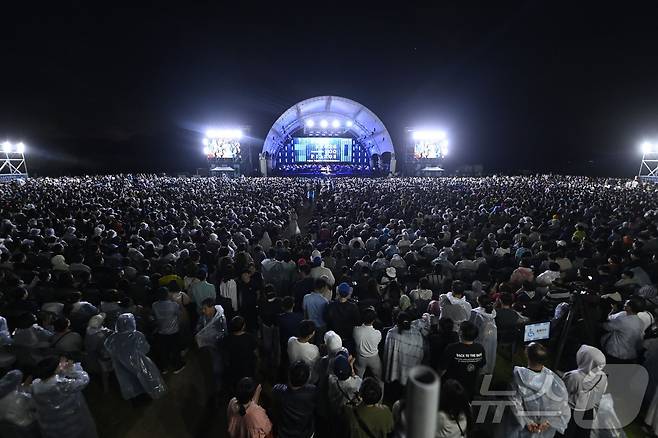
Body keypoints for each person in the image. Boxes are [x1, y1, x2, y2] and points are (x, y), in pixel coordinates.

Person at [506, 343, 570, 438]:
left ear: (527, 355)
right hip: (545, 431)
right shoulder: (555, 381)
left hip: (523, 429)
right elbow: (563, 406)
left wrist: (527, 422)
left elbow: (514, 403)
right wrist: (548, 422)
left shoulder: (518, 377)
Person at [30, 357, 98, 438]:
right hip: (71, 422)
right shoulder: (61, 384)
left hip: (52, 424)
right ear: (55, 370)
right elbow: (84, 380)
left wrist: (63, 371)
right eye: (59, 365)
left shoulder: (35, 385)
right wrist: (72, 370)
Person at [104, 313, 167, 400]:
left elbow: (108, 352)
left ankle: (136, 400)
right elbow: (146, 349)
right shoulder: (137, 335)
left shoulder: (111, 339)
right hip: (140, 364)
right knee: (143, 380)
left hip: (121, 366)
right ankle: (146, 397)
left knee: (129, 383)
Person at [562, 345, 608, 438]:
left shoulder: (574, 376)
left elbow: (563, 393)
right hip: (588, 412)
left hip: (570, 412)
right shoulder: (603, 377)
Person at [438, 321, 486, 400]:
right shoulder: (480, 348)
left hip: (451, 388)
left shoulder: (452, 348)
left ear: (460, 333)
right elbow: (481, 368)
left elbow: (442, 370)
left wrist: (437, 379)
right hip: (470, 387)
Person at [272, 360, 318, 438]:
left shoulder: (279, 391)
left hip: (284, 434)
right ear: (307, 378)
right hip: (305, 433)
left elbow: (275, 388)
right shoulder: (313, 391)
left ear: (289, 376)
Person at [196, 298, 228, 394]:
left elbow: (224, 333)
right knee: (214, 367)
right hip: (209, 348)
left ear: (212, 307)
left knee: (218, 367)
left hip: (218, 346)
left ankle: (220, 387)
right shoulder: (203, 317)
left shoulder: (220, 317)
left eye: (205, 308)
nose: (203, 311)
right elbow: (199, 328)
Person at [383, 312, 425, 385]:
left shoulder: (392, 333)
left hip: (395, 371)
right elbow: (420, 354)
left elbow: (387, 353)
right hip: (410, 371)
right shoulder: (417, 334)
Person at [151, 286, 185, 374]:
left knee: (163, 351)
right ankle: (177, 366)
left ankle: (164, 368)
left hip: (161, 331)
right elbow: (180, 314)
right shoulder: (173, 305)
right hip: (173, 331)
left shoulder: (154, 305)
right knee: (175, 349)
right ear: (167, 295)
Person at [601, 297, 645, 363]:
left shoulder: (623, 321)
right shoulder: (641, 322)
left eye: (626, 303)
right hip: (630, 355)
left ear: (630, 307)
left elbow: (606, 326)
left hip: (616, 353)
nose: (624, 304)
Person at [0, 369, 40, 438]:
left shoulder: (3, 393)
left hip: (5, 429)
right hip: (23, 427)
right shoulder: (22, 397)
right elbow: (36, 404)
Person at [223, 316, 258, 391]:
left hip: (234, 369)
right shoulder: (250, 337)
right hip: (248, 368)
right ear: (243, 326)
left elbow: (226, 357)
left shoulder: (227, 339)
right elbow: (256, 352)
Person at [325, 282, 360, 352]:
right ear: (348, 293)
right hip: (348, 338)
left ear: (338, 292)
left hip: (334, 338)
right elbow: (357, 322)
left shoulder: (331, 306)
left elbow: (327, 320)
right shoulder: (353, 307)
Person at [470, 295, 497, 375]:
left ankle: (479, 373)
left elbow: (471, 324)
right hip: (491, 336)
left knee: (479, 356)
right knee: (489, 354)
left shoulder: (476, 313)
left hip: (480, 337)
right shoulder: (492, 312)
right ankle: (487, 373)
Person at [353, 307, 383, 378]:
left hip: (360, 358)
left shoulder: (355, 330)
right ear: (373, 320)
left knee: (358, 379)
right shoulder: (377, 333)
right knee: (379, 378)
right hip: (374, 358)